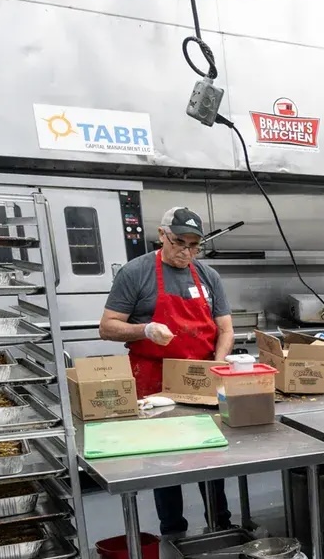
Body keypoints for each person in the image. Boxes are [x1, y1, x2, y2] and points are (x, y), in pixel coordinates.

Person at [99, 206, 236, 537]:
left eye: (194, 245)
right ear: (162, 236)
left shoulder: (208, 276)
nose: (186, 252)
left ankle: (221, 525)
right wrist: (145, 330)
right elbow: (107, 327)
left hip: (200, 378)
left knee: (210, 455)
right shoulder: (136, 273)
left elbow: (226, 330)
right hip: (154, 381)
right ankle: (173, 531)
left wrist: (217, 361)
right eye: (179, 242)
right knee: (165, 460)